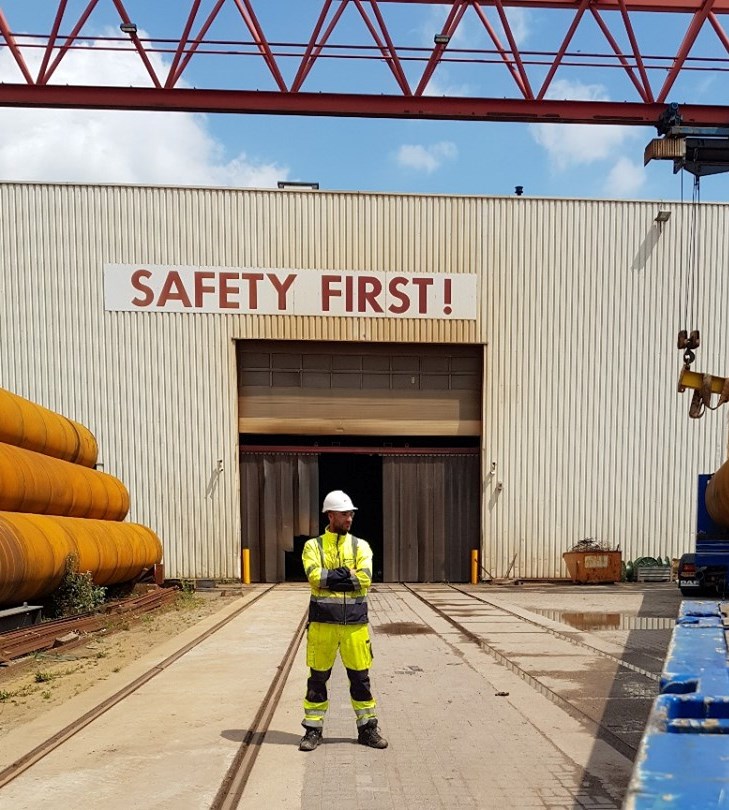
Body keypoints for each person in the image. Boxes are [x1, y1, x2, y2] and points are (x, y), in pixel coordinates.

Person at [298, 489, 388, 752]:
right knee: (317, 680)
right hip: (322, 626)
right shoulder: (312, 546)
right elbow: (315, 577)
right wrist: (345, 574)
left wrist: (333, 578)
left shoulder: (361, 546)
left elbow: (366, 579)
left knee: (361, 680)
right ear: (330, 515)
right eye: (344, 513)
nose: (349, 518)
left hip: (355, 628)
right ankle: (312, 730)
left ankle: (367, 730)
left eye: (351, 513)